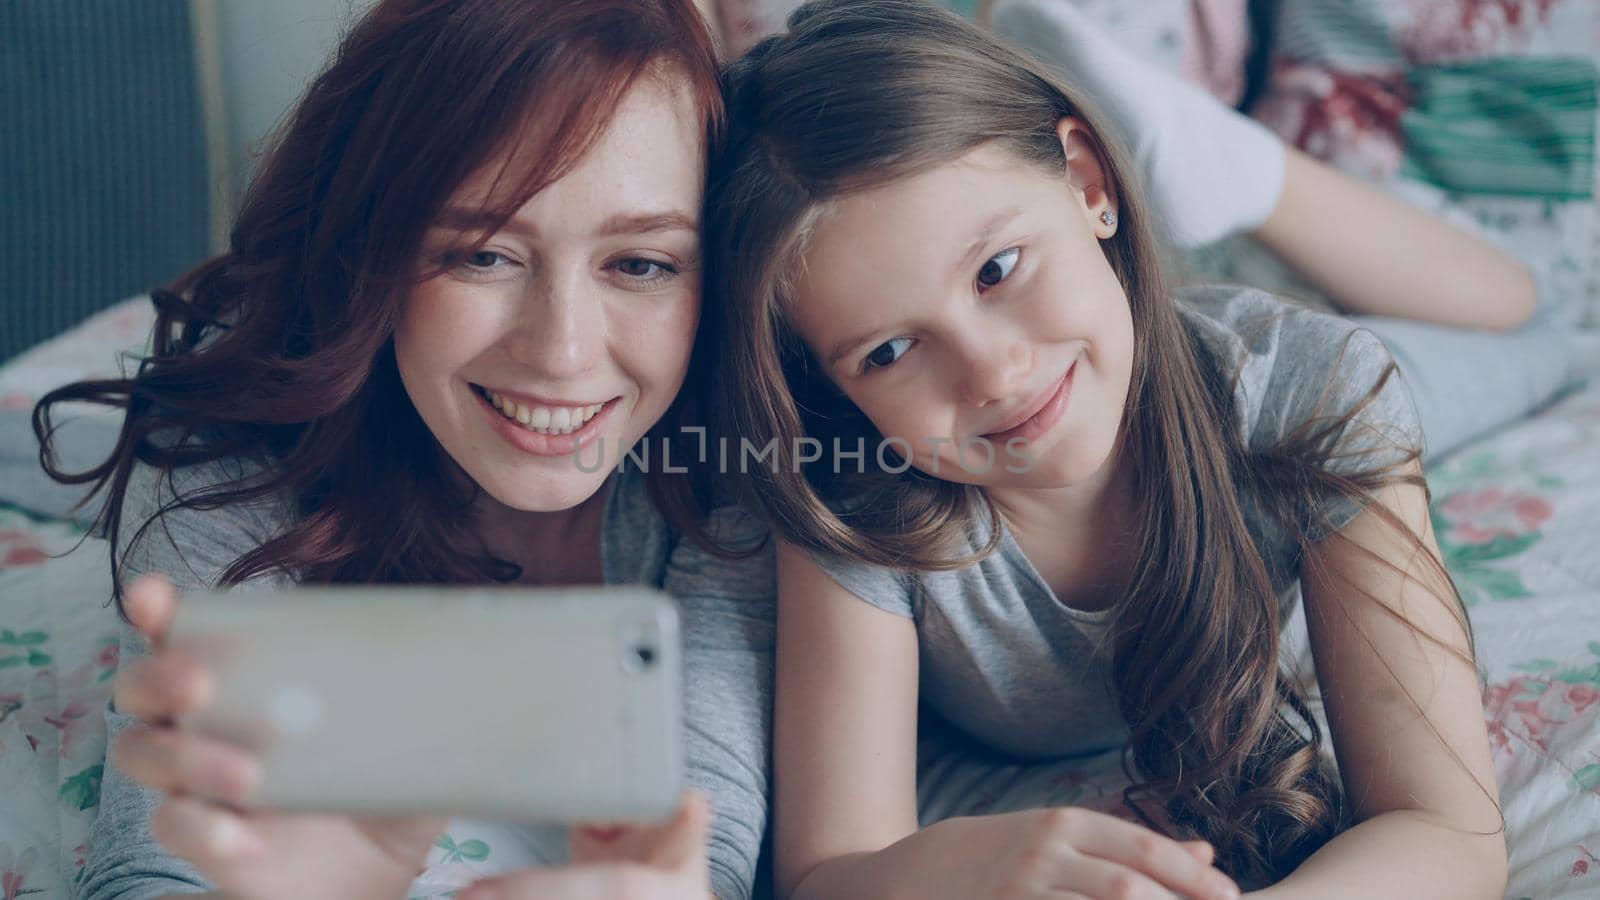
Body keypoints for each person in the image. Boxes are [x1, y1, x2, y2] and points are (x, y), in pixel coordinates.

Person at [703, 1, 1513, 897]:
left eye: (998, 268)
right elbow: (828, 873)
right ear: (837, 389)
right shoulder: (861, 495)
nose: (993, 375)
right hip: (1145, 341)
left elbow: (1451, 830)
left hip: (1239, 370)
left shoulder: (1312, 392)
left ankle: (1241, 170)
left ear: (1088, 183)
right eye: (888, 352)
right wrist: (939, 868)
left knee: (1535, 339)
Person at [35, 1, 772, 898]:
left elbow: (710, 856)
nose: (563, 351)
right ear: (366, 248)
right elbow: (159, 866)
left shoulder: (739, 454)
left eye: (642, 265)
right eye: (484, 254)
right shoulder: (231, 439)